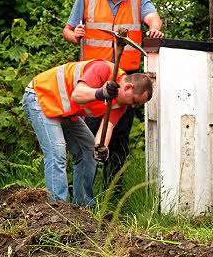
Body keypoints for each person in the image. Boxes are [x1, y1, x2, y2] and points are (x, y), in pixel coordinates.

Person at [63, 0, 163, 187]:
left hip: (126, 84)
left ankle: (113, 192)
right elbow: (67, 31)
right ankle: (79, 189)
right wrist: (74, 35)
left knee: (118, 139)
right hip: (92, 81)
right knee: (87, 136)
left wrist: (155, 29)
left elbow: (153, 18)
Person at [22, 59, 153, 208]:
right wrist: (100, 92)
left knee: (89, 151)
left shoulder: (120, 104)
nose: (133, 106)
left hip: (64, 111)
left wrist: (100, 147)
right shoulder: (103, 69)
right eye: (134, 100)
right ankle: (57, 209)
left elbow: (107, 128)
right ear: (128, 87)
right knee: (57, 151)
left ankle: (83, 208)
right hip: (40, 96)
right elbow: (77, 95)